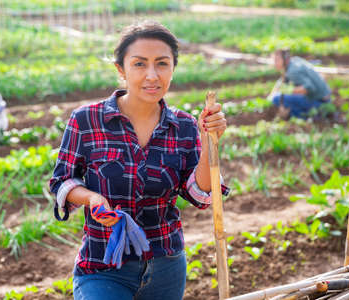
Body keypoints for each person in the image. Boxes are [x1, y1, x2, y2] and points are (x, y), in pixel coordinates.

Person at [49, 21, 229, 300]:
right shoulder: (87, 120)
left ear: (173, 68)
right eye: (139, 64)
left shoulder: (183, 125)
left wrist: (209, 141)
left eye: (162, 64)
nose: (152, 75)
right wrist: (91, 198)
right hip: (103, 265)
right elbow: (62, 181)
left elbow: (199, 194)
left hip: (166, 266)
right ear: (121, 69)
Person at [271, 49, 332, 119]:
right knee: (283, 97)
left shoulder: (292, 71)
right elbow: (282, 81)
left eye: (277, 60)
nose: (274, 63)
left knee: (276, 98)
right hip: (326, 98)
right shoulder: (294, 61)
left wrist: (290, 90)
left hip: (319, 102)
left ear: (285, 59)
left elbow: (309, 87)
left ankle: (305, 116)